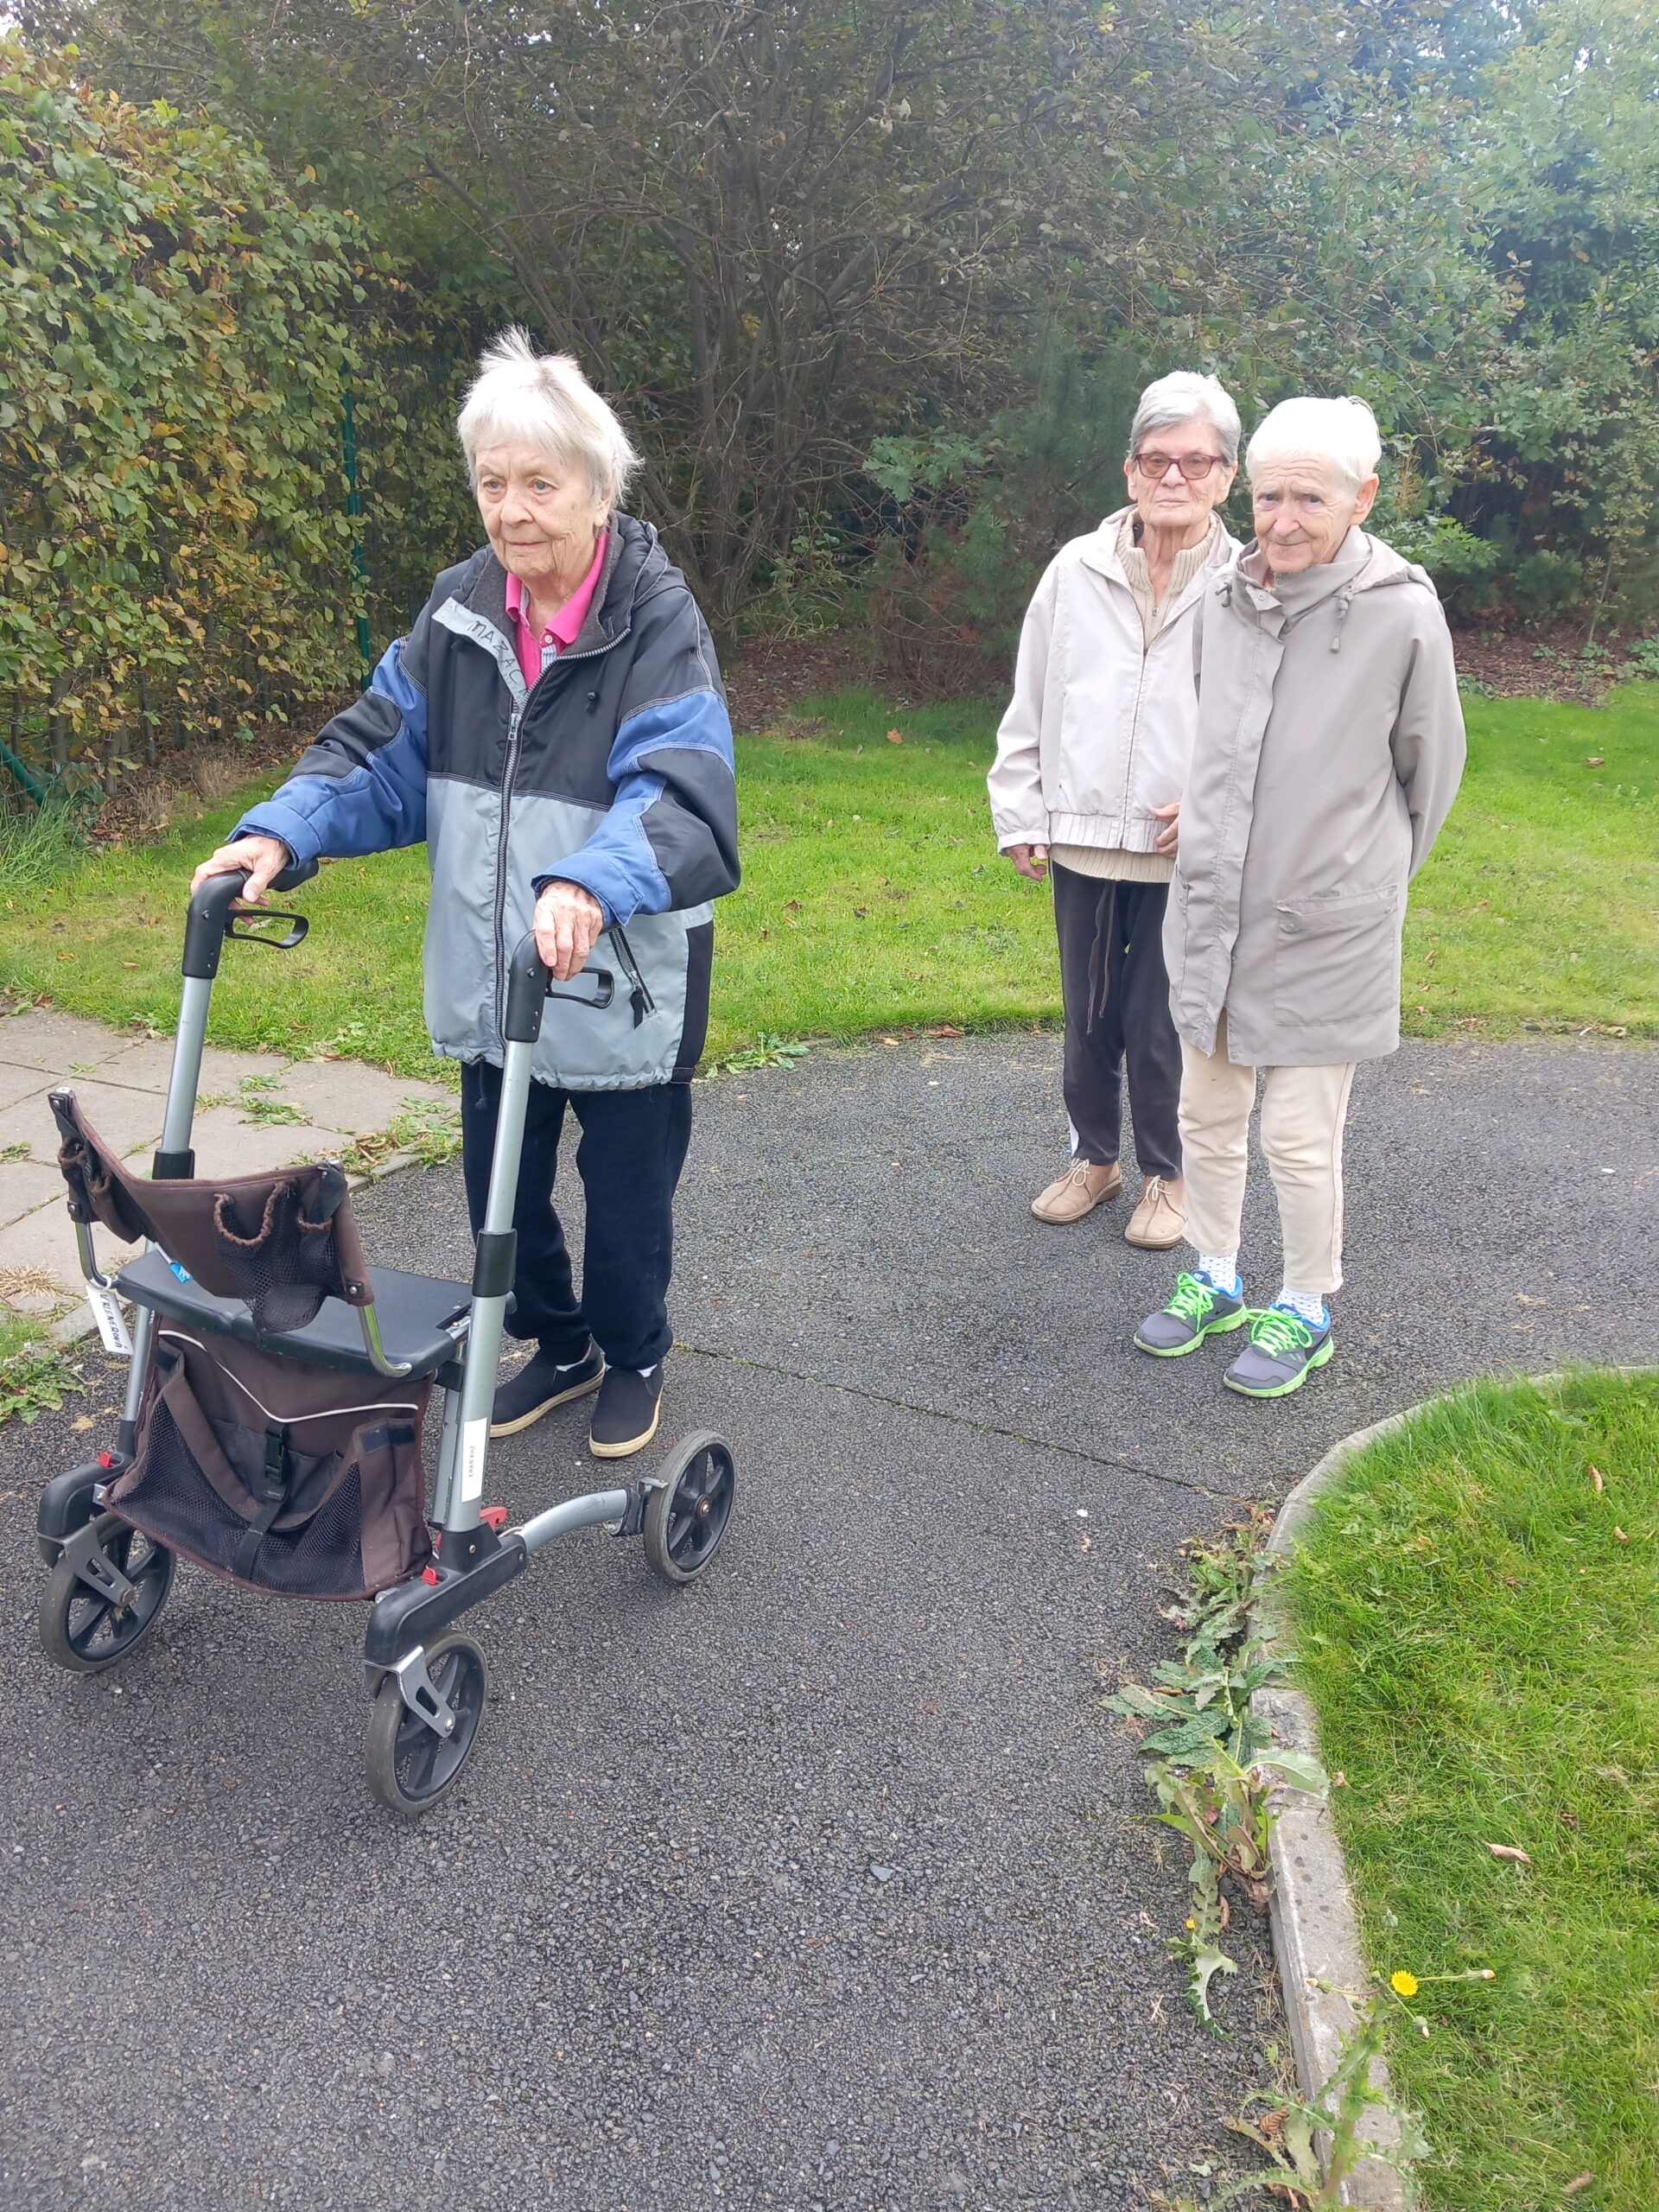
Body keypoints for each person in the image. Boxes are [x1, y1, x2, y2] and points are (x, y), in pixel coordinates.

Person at [191, 329, 738, 1459]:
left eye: (540, 484)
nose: (512, 510)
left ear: (598, 490)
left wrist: (590, 880)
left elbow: (682, 790)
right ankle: (560, 1342)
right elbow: (378, 751)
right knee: (502, 1193)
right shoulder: (458, 613)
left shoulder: (657, 620)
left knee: (626, 1203)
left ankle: (633, 1351)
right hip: (500, 972)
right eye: (493, 484)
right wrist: (280, 831)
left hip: (623, 980)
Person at [1135, 394, 1465, 1399]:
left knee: (1298, 1137)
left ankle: (1307, 1304)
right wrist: (1210, 815)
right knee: (1207, 1112)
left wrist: (1360, 875)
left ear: (1363, 498)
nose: (1282, 521)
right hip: (1214, 908)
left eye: (1309, 499)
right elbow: (1218, 734)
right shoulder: (1223, 599)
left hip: (1328, 925)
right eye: (1269, 496)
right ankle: (1216, 1275)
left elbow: (1430, 773)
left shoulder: (1402, 614)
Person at [988, 372, 1243, 1249]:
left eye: (1195, 461)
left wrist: (1214, 807)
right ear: (1130, 471)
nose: (1174, 477)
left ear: (1225, 477)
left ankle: (1170, 1176)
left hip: (1185, 849)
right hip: (1084, 834)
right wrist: (1020, 810)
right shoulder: (1075, 569)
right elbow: (1032, 695)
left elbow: (1265, 725)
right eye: (1156, 459)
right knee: (1089, 1016)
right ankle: (1094, 1161)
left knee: (1161, 1022)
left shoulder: (1248, 583)